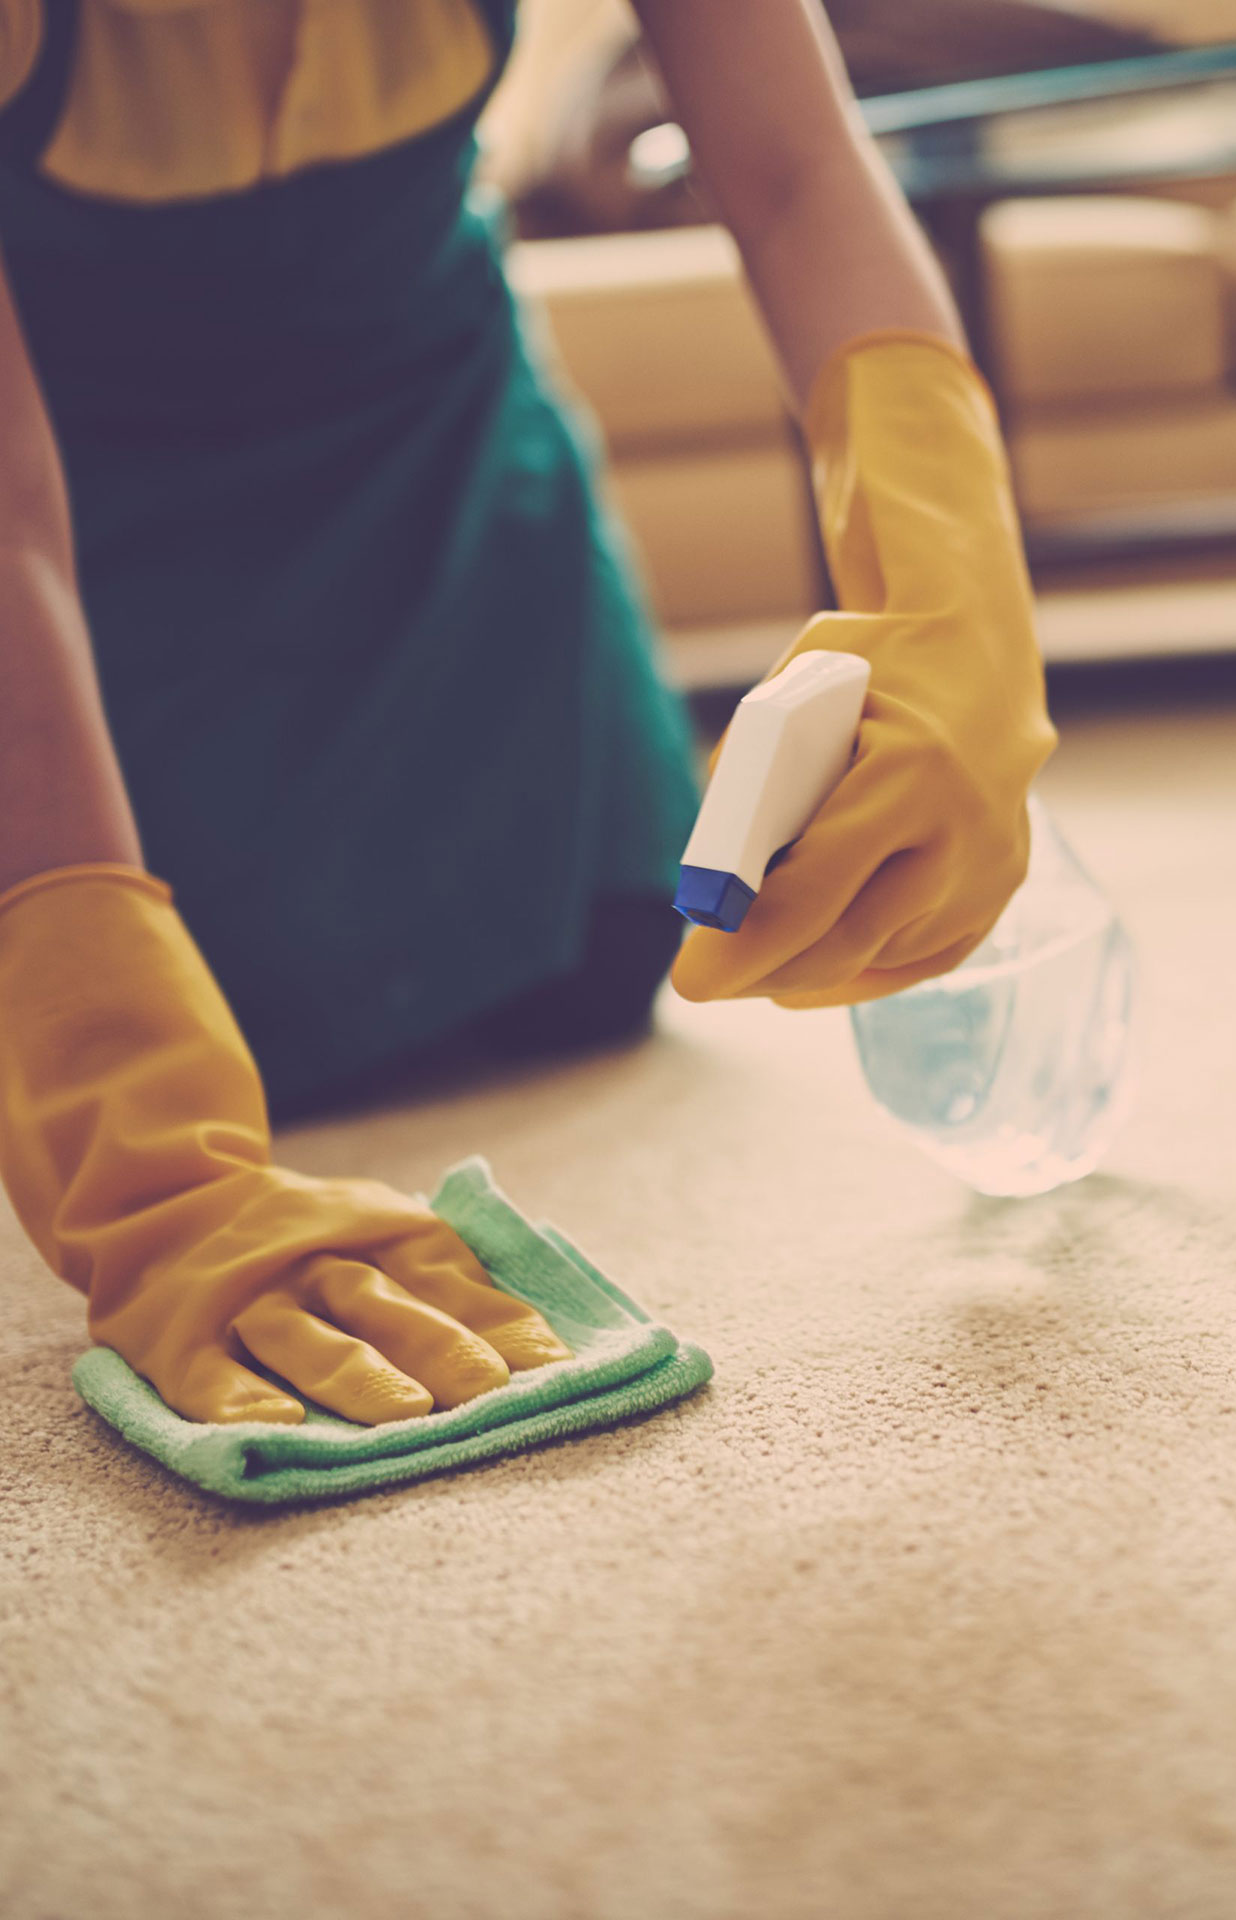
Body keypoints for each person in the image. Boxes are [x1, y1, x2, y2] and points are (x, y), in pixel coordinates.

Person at [0, 0, 1054, 1429]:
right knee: (239, 1026)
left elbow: (801, 168)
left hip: (437, 454)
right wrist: (140, 1155)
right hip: (90, 530)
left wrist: (951, 585)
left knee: (597, 960)